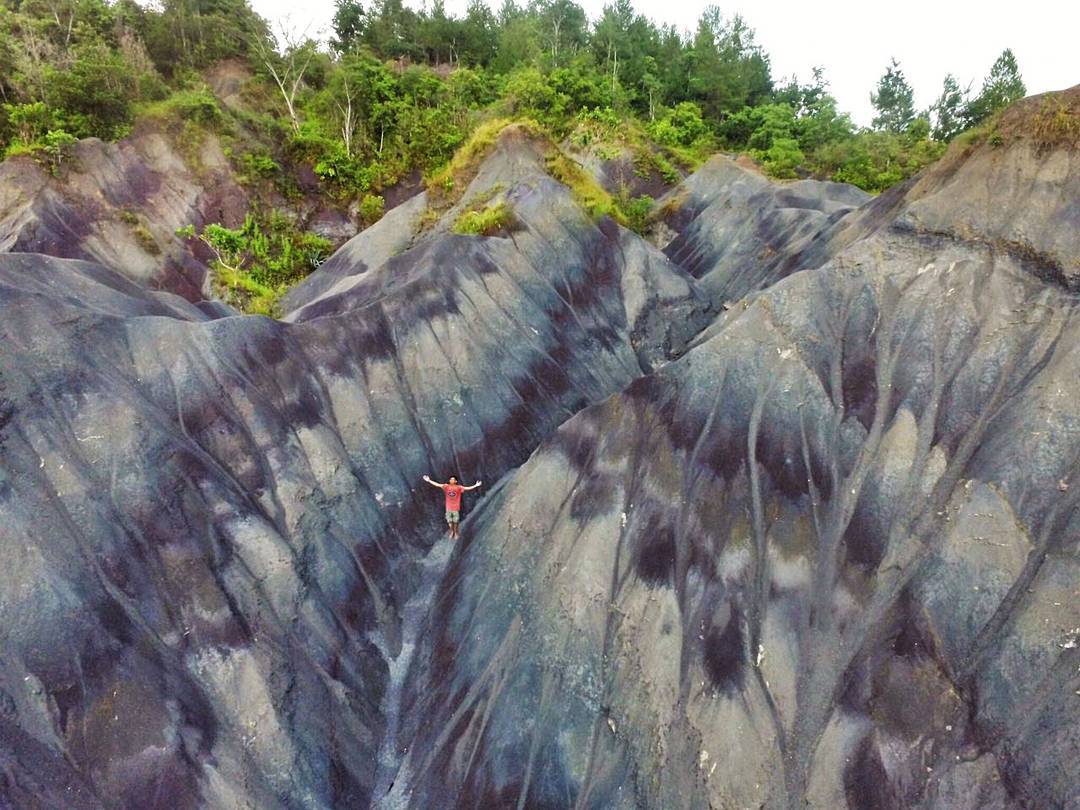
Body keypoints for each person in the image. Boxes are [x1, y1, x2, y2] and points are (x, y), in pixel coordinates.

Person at [422, 474, 481, 539]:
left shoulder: (459, 487)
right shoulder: (446, 486)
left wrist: (476, 485)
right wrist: (429, 480)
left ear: (456, 481)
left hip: (455, 508)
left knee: (455, 522)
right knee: (450, 522)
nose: (451, 480)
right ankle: (452, 531)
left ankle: (456, 532)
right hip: (448, 508)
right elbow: (438, 485)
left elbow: (467, 488)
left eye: (453, 479)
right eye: (451, 479)